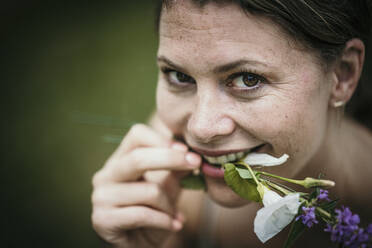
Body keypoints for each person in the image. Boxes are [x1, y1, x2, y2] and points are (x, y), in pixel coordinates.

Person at [91, 0, 372, 247]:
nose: (201, 129)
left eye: (247, 79)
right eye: (179, 75)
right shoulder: (167, 182)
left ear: (342, 74)